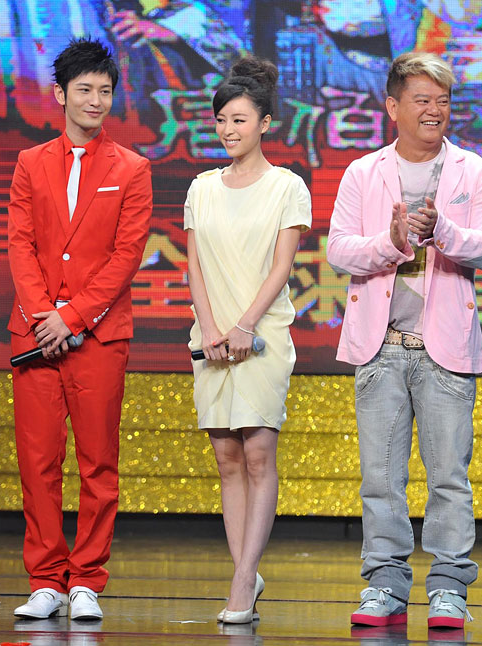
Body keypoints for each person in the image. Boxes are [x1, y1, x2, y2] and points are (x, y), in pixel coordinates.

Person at [326, 52, 482, 630]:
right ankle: (384, 584)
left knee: (449, 476)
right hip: (380, 347)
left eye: (442, 101)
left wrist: (442, 231)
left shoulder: (473, 171)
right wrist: (393, 241)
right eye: (422, 100)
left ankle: (449, 587)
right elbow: (339, 250)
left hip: (444, 348)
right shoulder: (363, 172)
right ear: (392, 107)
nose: (434, 111)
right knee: (381, 478)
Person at [7, 37, 153, 621]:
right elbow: (20, 244)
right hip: (34, 335)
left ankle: (87, 578)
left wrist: (70, 318)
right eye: (85, 89)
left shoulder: (132, 168)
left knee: (98, 462)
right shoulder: (29, 162)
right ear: (60, 94)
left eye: (105, 91)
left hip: (99, 336)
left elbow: (127, 256)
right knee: (38, 462)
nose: (96, 100)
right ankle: (46, 579)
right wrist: (44, 316)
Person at [184, 56, 311, 625]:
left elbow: (282, 267)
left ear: (265, 123)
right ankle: (245, 571)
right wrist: (212, 328)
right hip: (211, 336)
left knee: (258, 452)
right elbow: (193, 267)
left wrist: (243, 327)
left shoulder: (287, 186)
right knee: (226, 456)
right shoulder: (201, 187)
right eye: (221, 121)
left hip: (262, 336)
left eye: (239, 120)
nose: (228, 129)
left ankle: (242, 578)